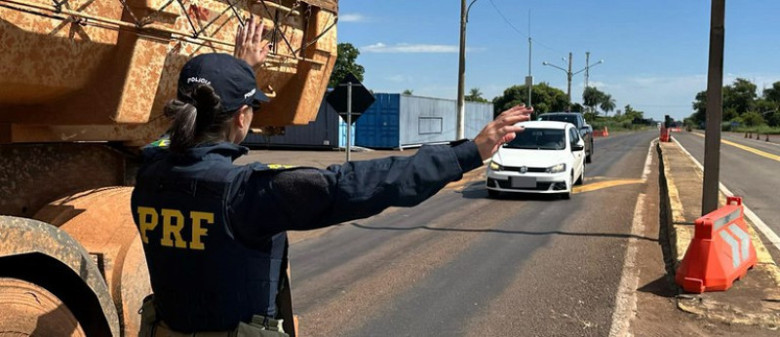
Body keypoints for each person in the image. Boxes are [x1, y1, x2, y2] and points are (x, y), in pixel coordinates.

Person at [131, 15, 532, 337]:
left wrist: (237, 73)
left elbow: (179, 131)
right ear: (241, 116)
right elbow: (362, 183)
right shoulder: (246, 195)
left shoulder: (149, 173)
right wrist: (469, 152)